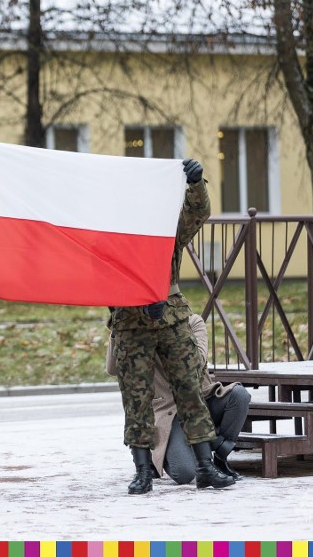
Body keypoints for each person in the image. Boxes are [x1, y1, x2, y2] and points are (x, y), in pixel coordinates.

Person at [108, 158, 236, 494]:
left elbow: (197, 214)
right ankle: (142, 472)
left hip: (172, 318)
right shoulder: (110, 238)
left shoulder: (164, 229)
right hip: (130, 324)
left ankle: (207, 467)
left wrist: (195, 184)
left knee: (191, 391)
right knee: (136, 399)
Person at [107, 313, 251, 484]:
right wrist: (118, 330)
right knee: (184, 473)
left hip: (200, 400)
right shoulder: (135, 329)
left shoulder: (192, 321)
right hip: (170, 410)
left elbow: (198, 362)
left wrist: (171, 332)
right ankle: (164, 454)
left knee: (239, 396)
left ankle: (219, 458)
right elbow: (113, 368)